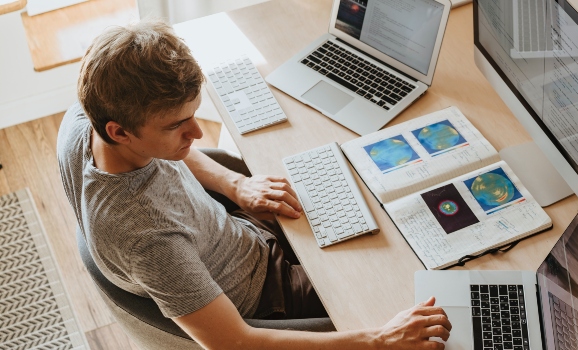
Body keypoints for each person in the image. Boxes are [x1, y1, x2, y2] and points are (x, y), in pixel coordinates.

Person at [57, 19, 451, 349]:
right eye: (177, 125)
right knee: (425, 302)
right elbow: (235, 342)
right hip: (266, 296)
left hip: (237, 234)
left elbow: (169, 150)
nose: (197, 132)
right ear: (120, 131)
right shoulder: (146, 239)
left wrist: (234, 186)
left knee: (376, 200)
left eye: (193, 114)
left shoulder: (86, 118)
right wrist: (380, 340)